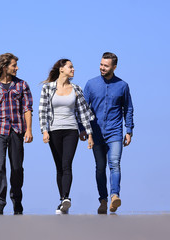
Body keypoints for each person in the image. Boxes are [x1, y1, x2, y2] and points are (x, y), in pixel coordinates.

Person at [39, 59, 95, 214]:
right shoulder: (48, 88)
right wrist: (44, 130)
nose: (73, 69)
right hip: (54, 130)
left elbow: (84, 113)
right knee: (59, 166)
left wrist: (89, 134)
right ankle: (61, 200)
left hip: (71, 130)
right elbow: (42, 110)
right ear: (61, 69)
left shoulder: (76, 89)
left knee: (67, 164)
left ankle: (66, 198)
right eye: (70, 67)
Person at [83, 52, 134, 214]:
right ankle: (103, 200)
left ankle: (114, 196)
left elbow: (129, 108)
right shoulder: (91, 84)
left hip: (115, 132)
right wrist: (83, 129)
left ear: (114, 67)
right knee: (100, 167)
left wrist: (129, 130)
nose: (102, 68)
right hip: (96, 133)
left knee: (115, 164)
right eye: (101, 64)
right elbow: (83, 109)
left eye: (106, 65)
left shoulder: (123, 86)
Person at [0, 53, 33, 215]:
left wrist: (29, 130)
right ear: (5, 67)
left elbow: (27, 109)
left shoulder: (22, 85)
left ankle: (17, 201)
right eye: (14, 65)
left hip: (17, 130)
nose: (17, 68)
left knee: (17, 168)